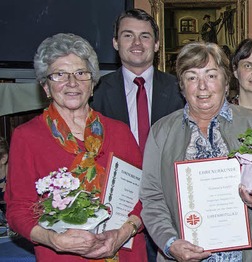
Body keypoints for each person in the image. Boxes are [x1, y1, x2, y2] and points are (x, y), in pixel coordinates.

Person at [139, 41, 252, 262]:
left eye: (211, 75)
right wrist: (170, 243)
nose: (202, 87)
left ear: (226, 82)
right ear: (181, 85)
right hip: (185, 255)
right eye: (191, 77)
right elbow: (152, 197)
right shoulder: (162, 131)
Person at [5, 33, 146, 261]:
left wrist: (124, 232)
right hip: (62, 256)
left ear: (92, 84)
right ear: (46, 87)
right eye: (60, 75)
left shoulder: (120, 132)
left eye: (81, 73)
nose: (72, 83)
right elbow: (18, 210)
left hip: (125, 252)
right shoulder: (27, 137)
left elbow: (145, 196)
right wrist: (53, 240)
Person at [91, 8, 185, 153]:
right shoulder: (96, 91)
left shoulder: (180, 89)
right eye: (128, 35)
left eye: (145, 36)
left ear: (156, 44)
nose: (137, 43)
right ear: (116, 43)